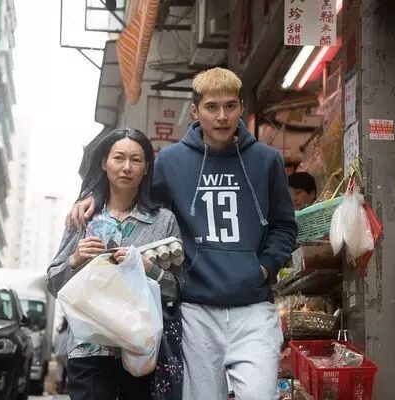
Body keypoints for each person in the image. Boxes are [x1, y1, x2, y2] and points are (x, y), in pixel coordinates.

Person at [68, 67, 297, 400]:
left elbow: (284, 224)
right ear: (195, 111)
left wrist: (264, 267)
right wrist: (94, 197)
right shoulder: (171, 161)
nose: (222, 116)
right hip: (195, 309)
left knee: (260, 394)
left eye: (230, 106)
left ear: (241, 108)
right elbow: (135, 196)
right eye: (212, 107)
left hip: (253, 306)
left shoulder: (267, 160)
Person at [46, 127, 182, 400]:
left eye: (136, 160)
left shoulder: (163, 221)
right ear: (104, 163)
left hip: (140, 349)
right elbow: (53, 284)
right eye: (119, 158)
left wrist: (149, 268)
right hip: (89, 348)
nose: (126, 167)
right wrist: (75, 259)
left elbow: (177, 290)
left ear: (146, 168)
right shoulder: (83, 217)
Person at [54, 317, 69, 394]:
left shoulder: (59, 333)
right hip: (65, 355)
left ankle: (59, 388)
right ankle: (66, 388)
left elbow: (55, 344)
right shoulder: (68, 333)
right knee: (69, 371)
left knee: (59, 371)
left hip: (58, 354)